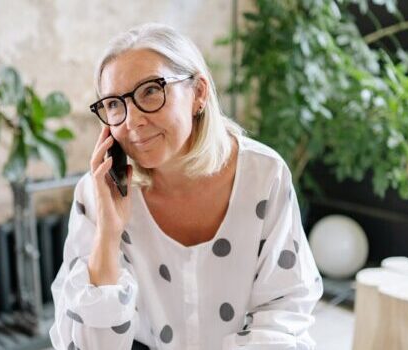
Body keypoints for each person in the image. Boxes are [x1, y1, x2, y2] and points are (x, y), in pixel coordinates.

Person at [49, 23, 323, 349]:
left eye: (151, 90)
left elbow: (284, 310)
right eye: (114, 104)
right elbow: (90, 345)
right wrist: (108, 232)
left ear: (199, 93)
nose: (132, 120)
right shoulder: (98, 193)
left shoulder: (264, 176)